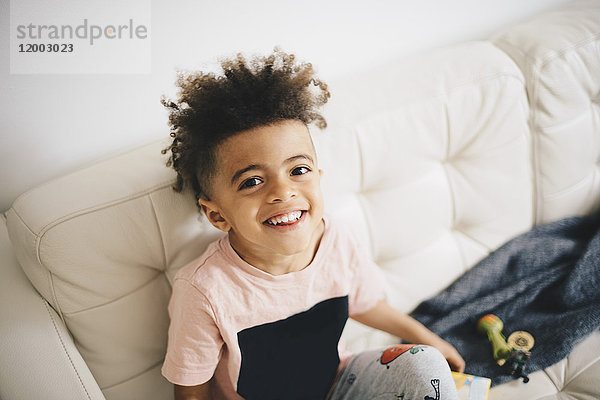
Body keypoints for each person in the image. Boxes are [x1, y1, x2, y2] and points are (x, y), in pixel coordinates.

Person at [160, 48, 465, 400]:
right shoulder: (204, 291)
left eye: (298, 171)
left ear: (318, 178)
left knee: (425, 364)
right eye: (252, 181)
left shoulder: (337, 238)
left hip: (343, 385)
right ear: (217, 215)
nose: (283, 192)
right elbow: (190, 392)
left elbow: (365, 304)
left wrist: (432, 342)